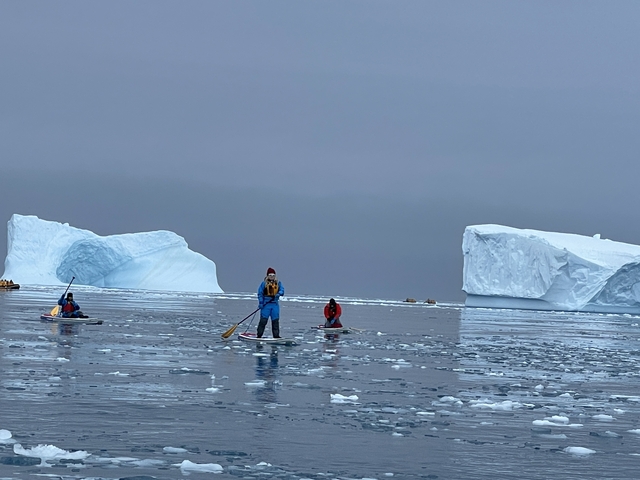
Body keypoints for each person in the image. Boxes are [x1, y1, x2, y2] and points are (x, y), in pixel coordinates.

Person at [257, 267, 284, 338]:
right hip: (266, 305)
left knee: (275, 321)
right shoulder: (264, 284)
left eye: (273, 275)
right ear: (267, 276)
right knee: (263, 321)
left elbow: (282, 290)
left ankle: (276, 336)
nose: (272, 277)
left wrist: (279, 293)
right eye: (270, 275)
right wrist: (261, 303)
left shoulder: (278, 283)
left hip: (274, 304)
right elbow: (260, 294)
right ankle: (259, 335)